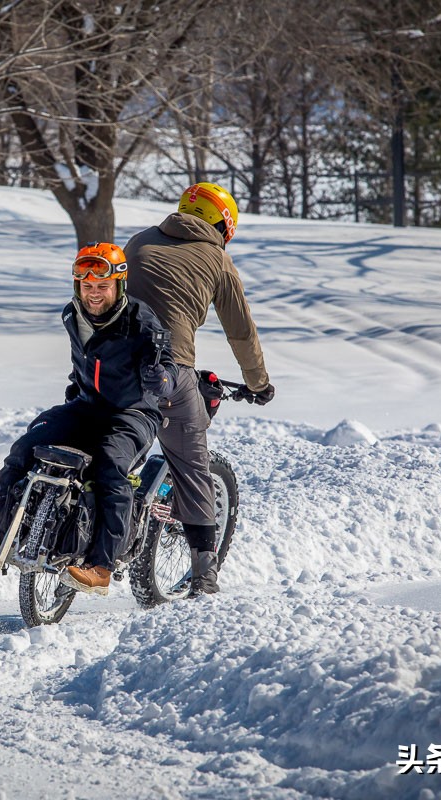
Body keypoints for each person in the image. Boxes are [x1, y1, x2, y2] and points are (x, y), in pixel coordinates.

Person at [0, 242, 177, 596]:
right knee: (24, 449)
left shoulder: (141, 321)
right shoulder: (72, 315)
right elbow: (84, 366)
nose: (94, 294)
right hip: (87, 407)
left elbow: (168, 366)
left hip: (131, 414)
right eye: (87, 286)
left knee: (108, 466)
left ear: (119, 285)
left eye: (102, 286)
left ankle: (101, 566)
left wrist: (160, 378)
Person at [123, 182, 274, 597]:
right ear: (223, 226)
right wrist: (259, 384)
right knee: (192, 464)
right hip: (168, 370)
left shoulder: (139, 240)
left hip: (108, 364)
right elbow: (241, 332)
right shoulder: (218, 260)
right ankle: (205, 579)